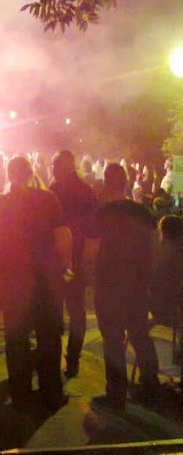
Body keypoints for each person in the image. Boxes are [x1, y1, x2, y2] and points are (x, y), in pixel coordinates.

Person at [0, 155, 73, 412]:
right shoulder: (48, 199)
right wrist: (65, 265)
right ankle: (51, 394)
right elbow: (62, 235)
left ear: (9, 175)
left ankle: (20, 393)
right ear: (31, 173)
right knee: (49, 337)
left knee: (16, 337)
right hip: (47, 280)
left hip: (14, 280)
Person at [85, 163, 160, 411]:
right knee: (140, 335)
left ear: (106, 183)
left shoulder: (101, 213)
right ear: (126, 182)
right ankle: (151, 387)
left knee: (113, 340)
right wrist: (148, 279)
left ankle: (116, 394)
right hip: (136, 284)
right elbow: (154, 247)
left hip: (109, 284)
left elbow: (91, 250)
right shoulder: (142, 212)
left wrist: (90, 279)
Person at [49, 149, 97, 378]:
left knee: (55, 307)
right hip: (76, 262)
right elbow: (93, 232)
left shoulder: (54, 191)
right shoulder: (87, 191)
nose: (51, 169)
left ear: (63, 167)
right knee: (76, 310)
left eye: (54, 165)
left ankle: (51, 356)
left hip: (59, 262)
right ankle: (73, 359)